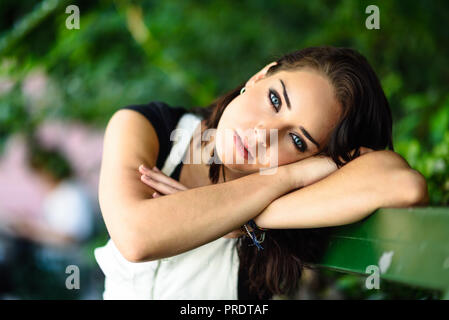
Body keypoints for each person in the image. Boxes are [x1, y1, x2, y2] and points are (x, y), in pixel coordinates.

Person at [94, 46, 428, 300]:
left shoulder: (300, 210)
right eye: (274, 99)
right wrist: (284, 179)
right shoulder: (150, 128)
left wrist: (253, 217)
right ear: (259, 77)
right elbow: (135, 237)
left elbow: (403, 185)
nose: (261, 134)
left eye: (297, 140)